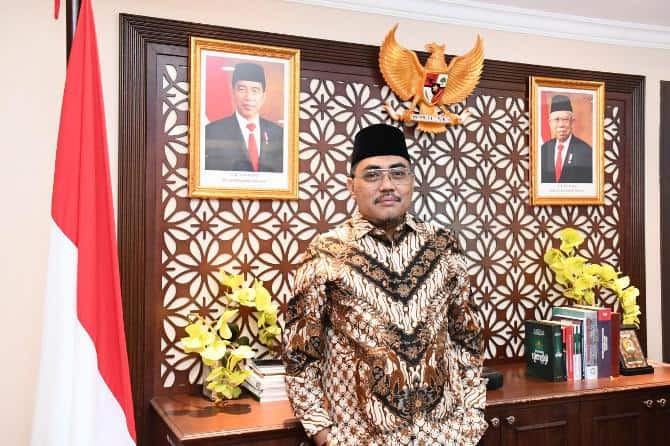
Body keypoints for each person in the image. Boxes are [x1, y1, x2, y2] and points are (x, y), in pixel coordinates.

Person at [282, 123, 486, 446]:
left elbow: (467, 341)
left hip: (446, 437)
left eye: (398, 173)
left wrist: (472, 418)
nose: (387, 185)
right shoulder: (327, 253)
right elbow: (300, 358)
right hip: (361, 439)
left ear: (412, 181)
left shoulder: (443, 247)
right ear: (351, 185)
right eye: (373, 175)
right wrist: (325, 436)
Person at [204, 62, 283, 172]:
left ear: (263, 96)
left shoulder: (279, 134)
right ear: (233, 92)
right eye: (242, 89)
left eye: (255, 90)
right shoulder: (212, 131)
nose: (248, 97)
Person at [540, 94, 593, 183]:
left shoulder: (586, 151)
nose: (561, 125)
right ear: (550, 123)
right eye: (556, 120)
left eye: (565, 119)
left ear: (572, 122)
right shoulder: (543, 149)